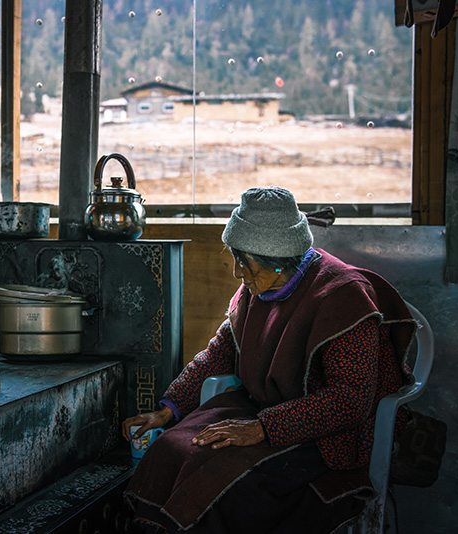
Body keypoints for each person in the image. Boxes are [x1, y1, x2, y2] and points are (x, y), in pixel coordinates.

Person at [121, 186, 416, 533]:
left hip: (325, 433)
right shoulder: (256, 288)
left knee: (228, 485)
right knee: (172, 448)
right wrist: (167, 410)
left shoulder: (343, 297)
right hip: (265, 408)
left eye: (244, 263)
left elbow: (350, 400)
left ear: (278, 263)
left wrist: (264, 428)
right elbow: (220, 353)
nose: (237, 273)